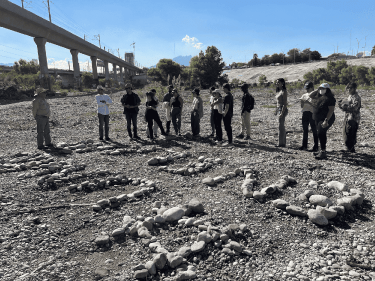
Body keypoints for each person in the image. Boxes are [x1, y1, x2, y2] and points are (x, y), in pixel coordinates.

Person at [308, 83, 336, 159]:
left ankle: (323, 152)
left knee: (320, 133)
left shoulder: (330, 99)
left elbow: (331, 111)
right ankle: (322, 150)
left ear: (327, 90)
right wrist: (318, 89)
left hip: (326, 118)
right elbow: (310, 95)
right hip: (317, 118)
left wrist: (326, 120)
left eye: (323, 89)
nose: (321, 90)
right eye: (320, 88)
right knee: (321, 133)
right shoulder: (318, 96)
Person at [338, 82, 361, 153]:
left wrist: (345, 107)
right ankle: (349, 148)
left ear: (354, 88)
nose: (349, 89)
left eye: (350, 88)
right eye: (348, 88)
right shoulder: (350, 96)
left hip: (354, 118)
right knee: (346, 133)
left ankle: (351, 149)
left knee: (351, 133)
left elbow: (355, 107)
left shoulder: (356, 97)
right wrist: (341, 106)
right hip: (348, 117)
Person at [298, 81, 318, 151]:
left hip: (312, 113)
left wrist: (308, 102)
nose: (306, 89)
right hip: (305, 113)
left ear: (312, 87)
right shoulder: (304, 95)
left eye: (308, 88)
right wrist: (302, 102)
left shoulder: (315, 95)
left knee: (314, 130)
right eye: (306, 88)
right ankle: (304, 145)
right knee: (305, 130)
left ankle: (316, 146)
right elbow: (302, 106)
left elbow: (316, 105)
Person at [275, 78, 288, 147]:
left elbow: (285, 104)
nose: (277, 84)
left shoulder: (284, 91)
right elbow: (277, 102)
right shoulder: (278, 91)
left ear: (282, 83)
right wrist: (276, 110)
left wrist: (282, 113)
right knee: (280, 126)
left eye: (278, 82)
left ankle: (281, 143)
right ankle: (282, 142)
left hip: (282, 109)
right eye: (276, 82)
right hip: (279, 109)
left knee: (281, 126)